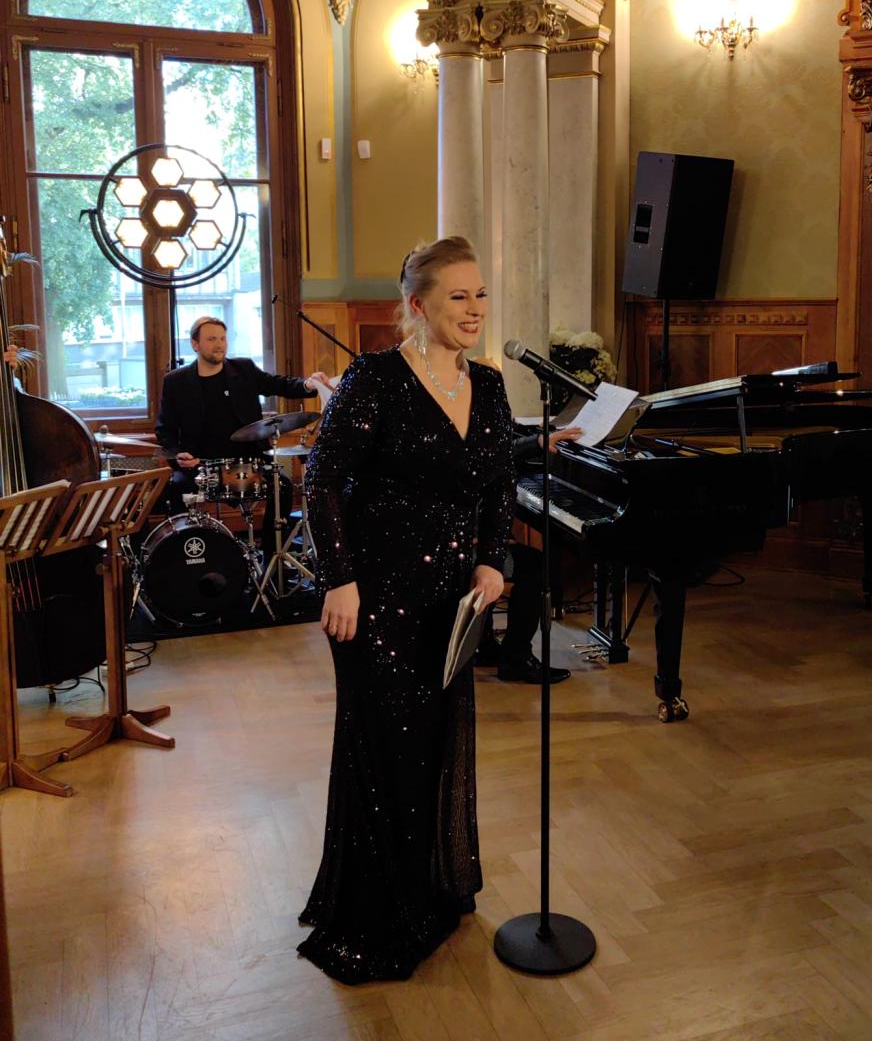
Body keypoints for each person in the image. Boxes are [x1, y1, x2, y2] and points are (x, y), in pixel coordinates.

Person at [298, 236, 514, 984]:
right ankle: (380, 909)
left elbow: (499, 484)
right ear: (418, 305)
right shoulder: (376, 380)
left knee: (434, 742)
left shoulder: (490, 387)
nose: (475, 310)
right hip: (374, 599)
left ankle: (426, 889)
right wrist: (339, 579)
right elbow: (321, 481)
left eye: (480, 295)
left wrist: (493, 559)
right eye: (459, 297)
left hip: (450, 601)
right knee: (387, 749)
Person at [154, 317, 329, 556]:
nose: (219, 344)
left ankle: (272, 556)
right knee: (176, 489)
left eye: (222, 338)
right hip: (200, 466)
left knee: (282, 486)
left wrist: (307, 384)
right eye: (211, 339)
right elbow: (164, 429)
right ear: (195, 344)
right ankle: (185, 558)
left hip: (249, 462)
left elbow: (279, 384)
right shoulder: (176, 381)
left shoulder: (244, 369)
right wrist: (178, 455)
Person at [477, 422, 582, 683]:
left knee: (520, 557)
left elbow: (501, 439)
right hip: (462, 543)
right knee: (535, 565)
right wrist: (537, 441)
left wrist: (539, 435)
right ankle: (516, 659)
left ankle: (483, 645)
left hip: (466, 532)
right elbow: (494, 451)